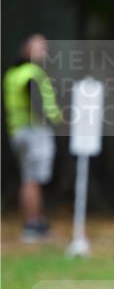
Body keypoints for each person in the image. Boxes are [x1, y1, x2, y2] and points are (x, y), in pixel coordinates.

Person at [3, 34, 63, 242]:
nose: (44, 52)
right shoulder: (32, 73)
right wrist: (57, 118)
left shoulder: (12, 74)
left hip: (17, 131)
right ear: (27, 51)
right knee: (33, 180)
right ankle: (33, 224)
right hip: (34, 132)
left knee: (28, 179)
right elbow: (38, 103)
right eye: (39, 48)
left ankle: (36, 222)